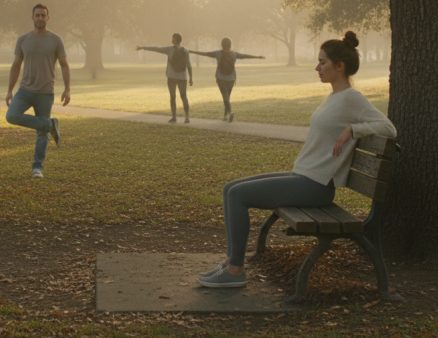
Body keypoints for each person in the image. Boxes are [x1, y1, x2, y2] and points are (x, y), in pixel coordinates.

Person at [197, 31, 396, 288]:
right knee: (230, 189)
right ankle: (229, 262)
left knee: (238, 196)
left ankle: (235, 270)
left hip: (316, 186)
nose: (317, 67)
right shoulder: (334, 96)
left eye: (322, 62)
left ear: (340, 66)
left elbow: (389, 129)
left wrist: (353, 130)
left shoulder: (352, 99)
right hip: (304, 177)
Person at [6, 4, 71, 180]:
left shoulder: (56, 40)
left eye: (43, 15)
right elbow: (16, 65)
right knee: (11, 116)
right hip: (25, 90)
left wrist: (67, 89)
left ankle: (37, 168)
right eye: (37, 15)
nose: (40, 18)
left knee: (41, 134)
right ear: (32, 17)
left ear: (48, 18)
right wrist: (10, 90)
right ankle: (51, 125)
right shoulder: (23, 39)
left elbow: (64, 65)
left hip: (45, 92)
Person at [189, 38, 265, 122]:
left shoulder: (218, 53)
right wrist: (258, 57)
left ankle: (230, 113)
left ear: (222, 45)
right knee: (227, 97)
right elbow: (245, 56)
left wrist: (192, 51)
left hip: (221, 79)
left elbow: (206, 54)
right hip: (231, 79)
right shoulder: (234, 54)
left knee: (225, 98)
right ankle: (225, 115)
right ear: (230, 45)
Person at [136, 33, 193, 123]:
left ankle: (174, 117)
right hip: (182, 77)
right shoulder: (185, 50)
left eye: (172, 38)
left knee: (172, 97)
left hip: (171, 77)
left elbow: (156, 48)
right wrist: (191, 78)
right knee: (184, 96)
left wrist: (143, 47)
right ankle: (187, 117)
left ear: (174, 40)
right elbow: (189, 65)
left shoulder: (169, 49)